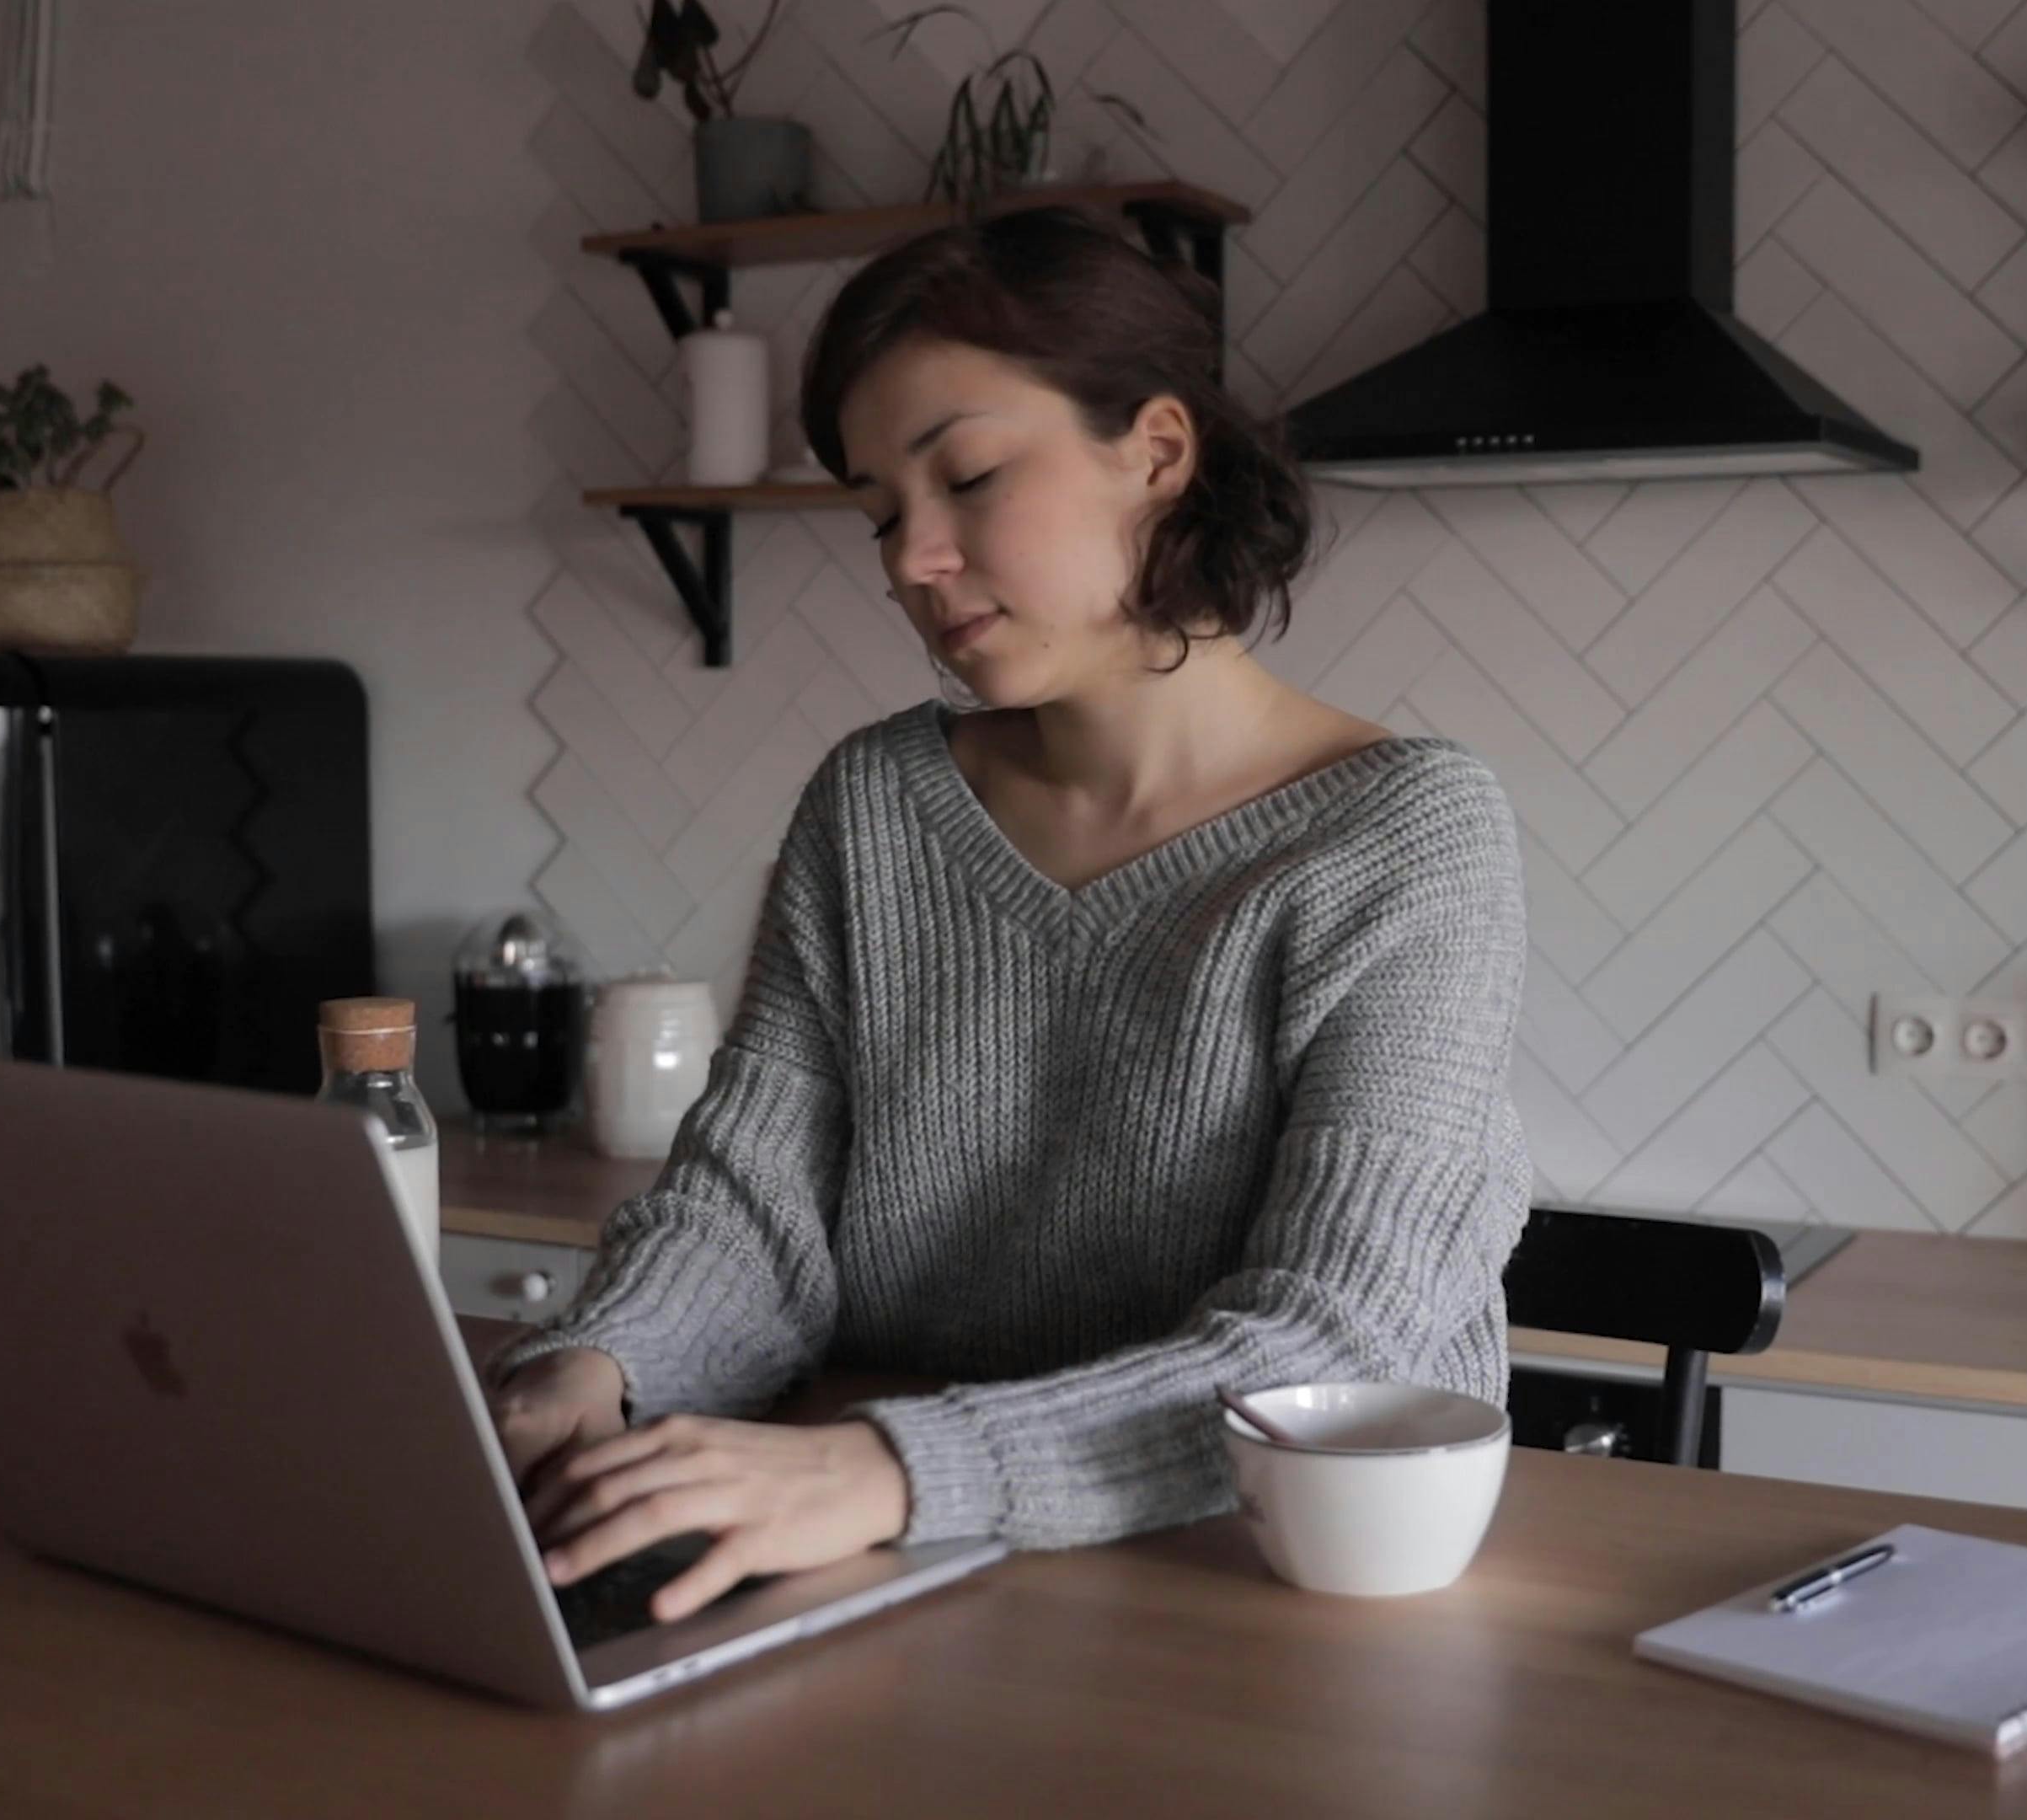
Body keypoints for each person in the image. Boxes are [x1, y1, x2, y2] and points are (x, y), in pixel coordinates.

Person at [484, 206, 1530, 1626]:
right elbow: (750, 1212)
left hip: (1236, 1596)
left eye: (967, 476)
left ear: (1159, 451)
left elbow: (1330, 1343)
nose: (910, 558)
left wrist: (890, 1470)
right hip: (900, 1579)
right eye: (876, 510)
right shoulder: (875, 806)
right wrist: (600, 1365)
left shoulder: (1403, 836)